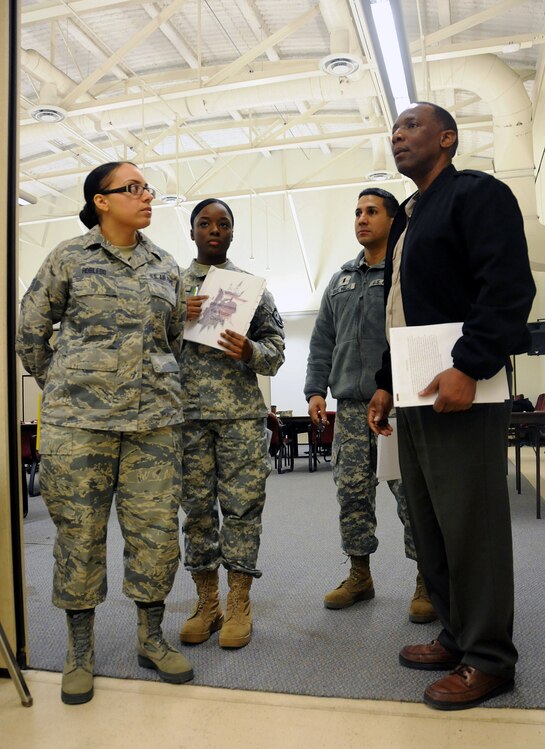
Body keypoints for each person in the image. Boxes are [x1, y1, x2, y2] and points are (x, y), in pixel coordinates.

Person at [368, 102, 536, 710]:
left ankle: (490, 659)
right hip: (414, 390)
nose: (397, 136)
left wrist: (470, 364)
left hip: (462, 386)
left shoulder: (477, 194)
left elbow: (510, 285)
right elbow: (400, 306)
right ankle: (457, 634)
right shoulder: (410, 216)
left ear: (448, 138)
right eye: (393, 130)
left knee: (473, 526)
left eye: (411, 126)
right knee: (431, 521)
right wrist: (385, 382)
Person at [16, 161, 193, 705]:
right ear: (101, 200)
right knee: (79, 537)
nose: (145, 196)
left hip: (153, 428)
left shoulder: (165, 265)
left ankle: (150, 639)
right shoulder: (68, 257)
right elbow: (30, 332)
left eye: (147, 188)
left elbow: (175, 341)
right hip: (80, 429)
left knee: (157, 538)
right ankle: (80, 652)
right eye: (132, 188)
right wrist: (68, 385)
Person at [304, 188, 435, 623]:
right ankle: (360, 575)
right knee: (352, 495)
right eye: (358, 212)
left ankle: (427, 581)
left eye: (372, 211)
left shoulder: (407, 272)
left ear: (394, 219)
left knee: (411, 496)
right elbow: (322, 340)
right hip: (351, 406)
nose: (362, 218)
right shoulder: (340, 280)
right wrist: (315, 390)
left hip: (397, 407)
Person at [179, 198, 285, 649]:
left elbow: (276, 348)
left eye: (223, 223)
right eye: (205, 223)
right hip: (187, 418)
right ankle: (208, 603)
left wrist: (250, 352)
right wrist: (173, 318)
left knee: (243, 509)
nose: (214, 230)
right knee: (198, 512)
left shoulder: (249, 288)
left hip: (240, 415)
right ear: (193, 232)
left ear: (233, 232)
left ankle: (239, 601)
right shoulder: (172, 286)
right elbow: (146, 346)